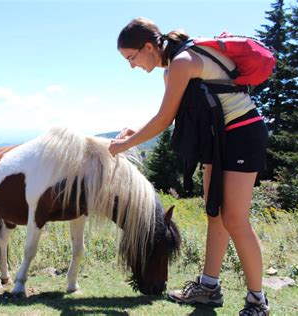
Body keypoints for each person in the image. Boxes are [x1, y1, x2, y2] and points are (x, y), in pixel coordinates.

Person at [108, 18, 269, 316]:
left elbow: (163, 119)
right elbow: (169, 114)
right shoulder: (173, 67)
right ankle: (208, 288)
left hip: (242, 133)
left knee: (234, 218)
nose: (132, 66)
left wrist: (123, 146)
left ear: (147, 47)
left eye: (131, 58)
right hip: (220, 138)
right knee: (214, 213)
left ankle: (257, 300)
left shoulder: (182, 61)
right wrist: (134, 133)